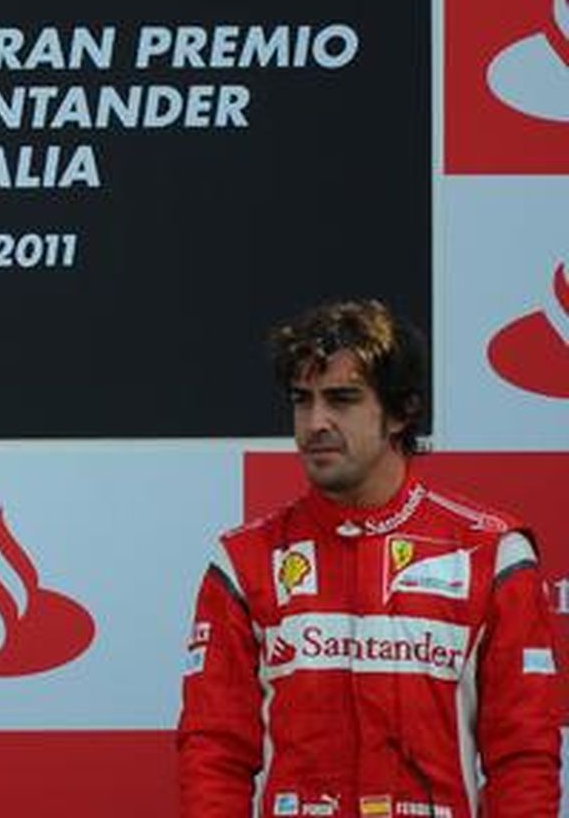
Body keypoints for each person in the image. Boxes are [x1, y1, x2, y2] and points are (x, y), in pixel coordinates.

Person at [177, 299, 562, 817]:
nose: (315, 423)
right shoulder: (244, 562)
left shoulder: (490, 554)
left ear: (401, 411)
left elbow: (522, 758)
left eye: (342, 399)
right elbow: (214, 752)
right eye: (302, 400)